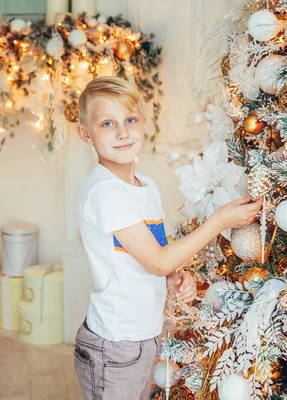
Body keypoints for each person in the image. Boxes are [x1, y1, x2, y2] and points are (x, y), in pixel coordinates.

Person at [74, 76, 262, 400]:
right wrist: (219, 221)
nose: (122, 132)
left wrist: (173, 277)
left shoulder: (144, 186)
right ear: (86, 134)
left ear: (144, 123)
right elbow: (158, 261)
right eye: (107, 123)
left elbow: (152, 254)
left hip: (144, 336)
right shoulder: (105, 192)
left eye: (130, 120)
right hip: (115, 344)